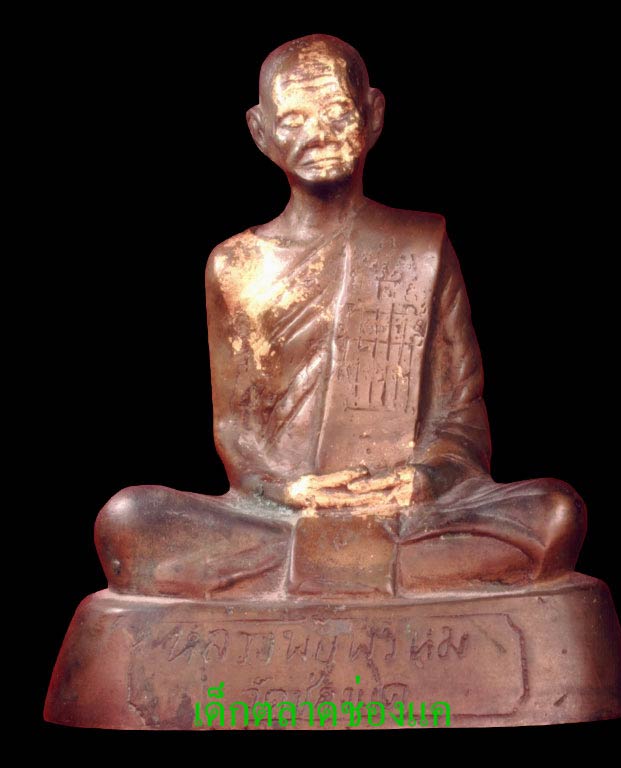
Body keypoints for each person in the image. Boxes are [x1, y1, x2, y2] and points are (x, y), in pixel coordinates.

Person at [95, 34, 586, 599]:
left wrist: (423, 481)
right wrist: (289, 493)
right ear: (260, 132)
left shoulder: (419, 246)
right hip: (282, 518)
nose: (319, 134)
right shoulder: (235, 266)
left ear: (372, 115)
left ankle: (314, 574)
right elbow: (236, 430)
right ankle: (369, 573)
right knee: (129, 520)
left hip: (406, 514)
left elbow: (461, 415)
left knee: (556, 512)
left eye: (336, 112)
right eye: (293, 119)